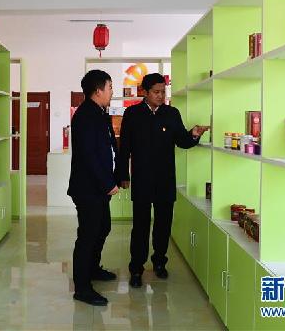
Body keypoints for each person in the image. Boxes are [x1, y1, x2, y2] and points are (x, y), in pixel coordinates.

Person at [115, 73, 209, 288]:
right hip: (141, 178)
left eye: (163, 92)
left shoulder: (171, 113)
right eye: (156, 92)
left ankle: (159, 262)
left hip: (165, 179)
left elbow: (182, 141)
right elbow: (125, 147)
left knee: (163, 225)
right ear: (145, 92)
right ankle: (136, 268)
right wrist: (123, 175)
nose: (161, 96)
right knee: (140, 226)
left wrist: (194, 134)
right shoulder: (132, 114)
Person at [68, 69, 119, 306]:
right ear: (98, 90)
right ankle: (82, 287)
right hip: (89, 188)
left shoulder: (98, 112)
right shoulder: (86, 115)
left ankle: (93, 268)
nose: (112, 92)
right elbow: (89, 155)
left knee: (102, 227)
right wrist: (107, 183)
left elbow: (107, 148)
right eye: (110, 87)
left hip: (98, 186)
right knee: (88, 236)